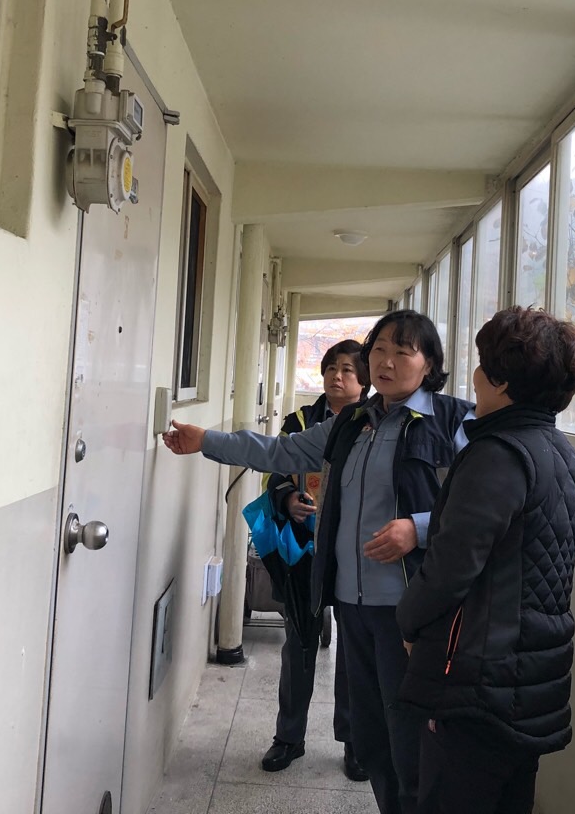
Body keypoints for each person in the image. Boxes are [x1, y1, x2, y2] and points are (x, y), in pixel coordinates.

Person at [164, 310, 473, 814]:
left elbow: (477, 506)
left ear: (430, 363)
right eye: (379, 350)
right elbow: (280, 451)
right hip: (352, 601)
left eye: (403, 352)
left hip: (410, 610)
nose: (387, 362)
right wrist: (207, 441)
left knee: (410, 738)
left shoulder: (454, 421)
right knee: (370, 738)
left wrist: (416, 528)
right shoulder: (353, 422)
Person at [395, 307, 575, 814]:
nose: (476, 376)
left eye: (483, 365)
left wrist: (409, 621)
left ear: (502, 381)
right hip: (530, 678)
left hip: (478, 683)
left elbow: (450, 568)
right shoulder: (560, 454)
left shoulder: (497, 455)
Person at [259, 339, 368, 780]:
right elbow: (274, 474)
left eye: (347, 370)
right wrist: (288, 499)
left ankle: (355, 742)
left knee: (354, 652)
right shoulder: (301, 422)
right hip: (303, 552)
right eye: (331, 368)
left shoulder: (373, 424)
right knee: (299, 643)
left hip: (355, 555)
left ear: (364, 380)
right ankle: (289, 737)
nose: (336, 376)